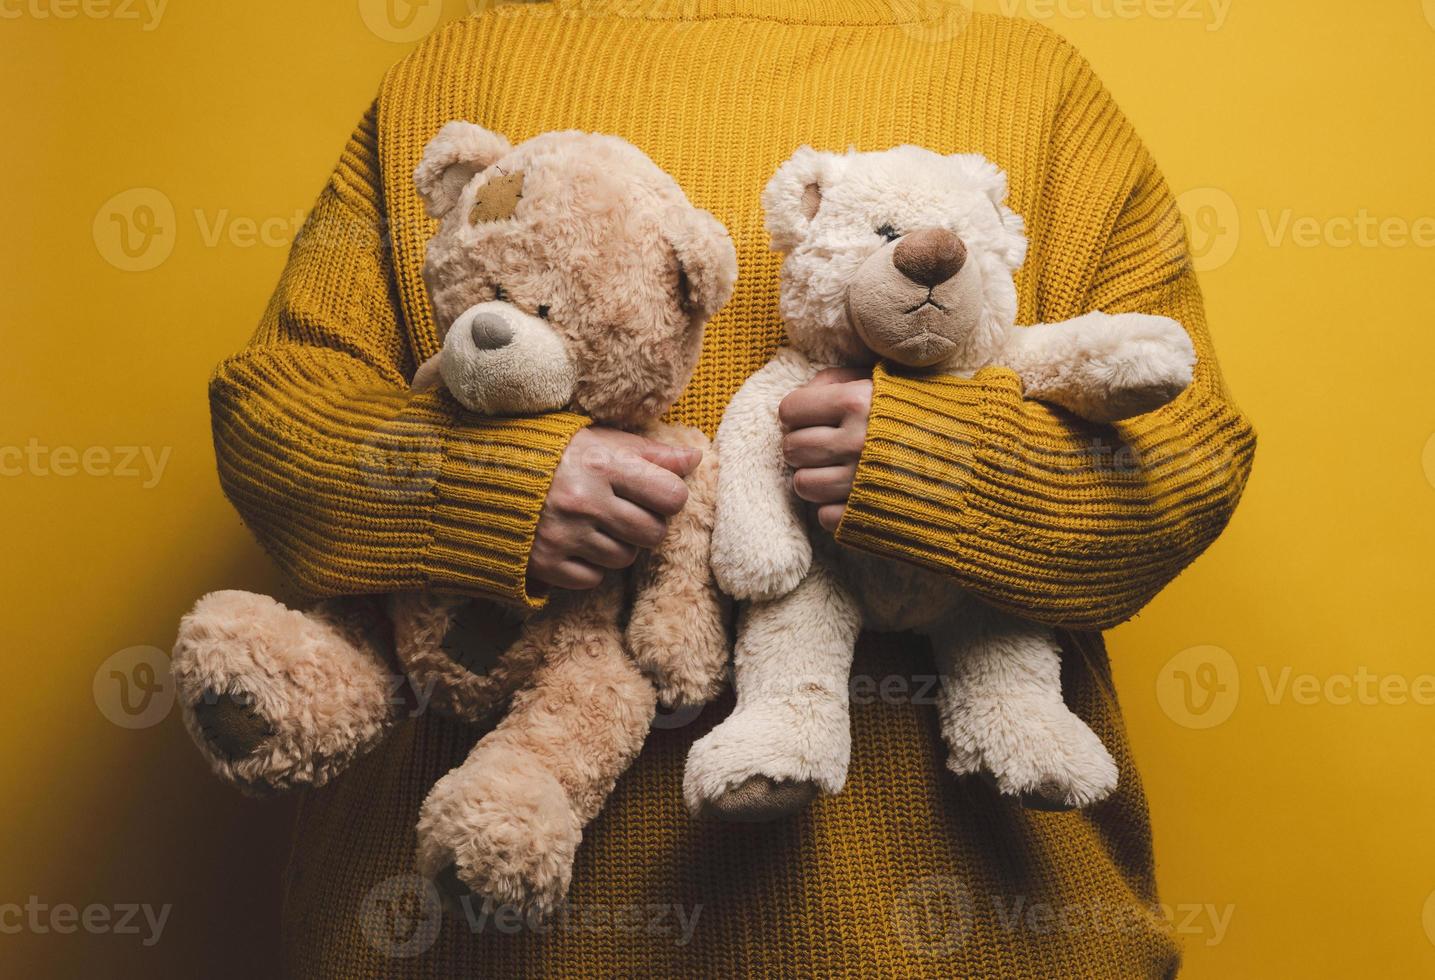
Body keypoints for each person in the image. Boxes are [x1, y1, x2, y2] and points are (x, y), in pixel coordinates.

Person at [213, 2, 1254, 975]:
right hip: (478, 932)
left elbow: (1186, 456)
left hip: (960, 927)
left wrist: (927, 461)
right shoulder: (459, 62)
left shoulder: (1028, 82)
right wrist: (501, 484)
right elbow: (273, 414)